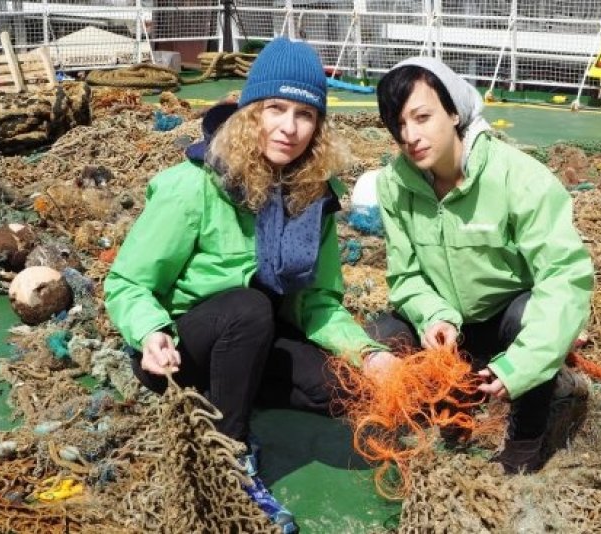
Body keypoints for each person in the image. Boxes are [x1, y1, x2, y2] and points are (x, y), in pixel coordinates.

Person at [104, 37, 388, 532]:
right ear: (250, 111)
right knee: (250, 306)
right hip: (176, 353)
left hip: (253, 342)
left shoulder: (313, 195)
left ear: (318, 126)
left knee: (340, 391)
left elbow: (317, 302)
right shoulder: (192, 186)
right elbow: (127, 283)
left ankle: (237, 387)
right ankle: (230, 454)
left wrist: (368, 355)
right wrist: (150, 334)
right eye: (275, 108)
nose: (289, 127)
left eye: (305, 114)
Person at [366, 57, 594, 474]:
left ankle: (525, 438)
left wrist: (521, 365)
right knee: (378, 338)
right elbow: (405, 275)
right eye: (398, 125)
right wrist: (434, 315)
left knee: (529, 315)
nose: (410, 136)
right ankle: (451, 395)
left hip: (507, 322)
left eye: (422, 117)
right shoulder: (392, 185)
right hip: (450, 331)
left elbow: (564, 278)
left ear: (454, 112)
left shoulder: (520, 179)